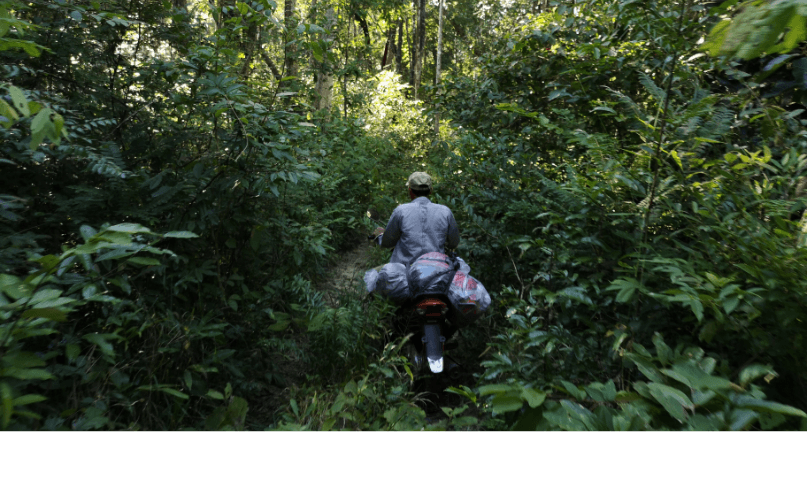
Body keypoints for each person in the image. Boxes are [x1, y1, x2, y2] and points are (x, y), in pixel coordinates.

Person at [373, 172, 460, 266]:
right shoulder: (445, 212)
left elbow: (388, 243)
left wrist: (380, 235)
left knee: (374, 276)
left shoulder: (401, 211)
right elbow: (454, 243)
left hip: (403, 270)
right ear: (431, 190)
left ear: (410, 190)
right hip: (435, 270)